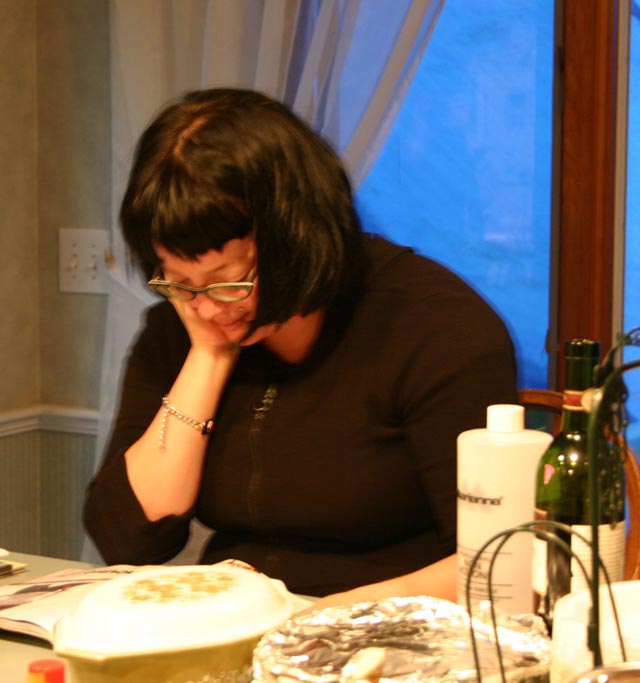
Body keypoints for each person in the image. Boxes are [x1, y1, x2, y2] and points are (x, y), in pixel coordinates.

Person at [83, 87, 519, 598]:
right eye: (179, 281)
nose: (206, 307)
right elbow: (129, 539)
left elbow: (498, 563)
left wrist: (320, 616)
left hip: (388, 624)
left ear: (296, 239)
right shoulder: (185, 325)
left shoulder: (435, 327)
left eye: (227, 281)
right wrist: (209, 354)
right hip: (237, 618)